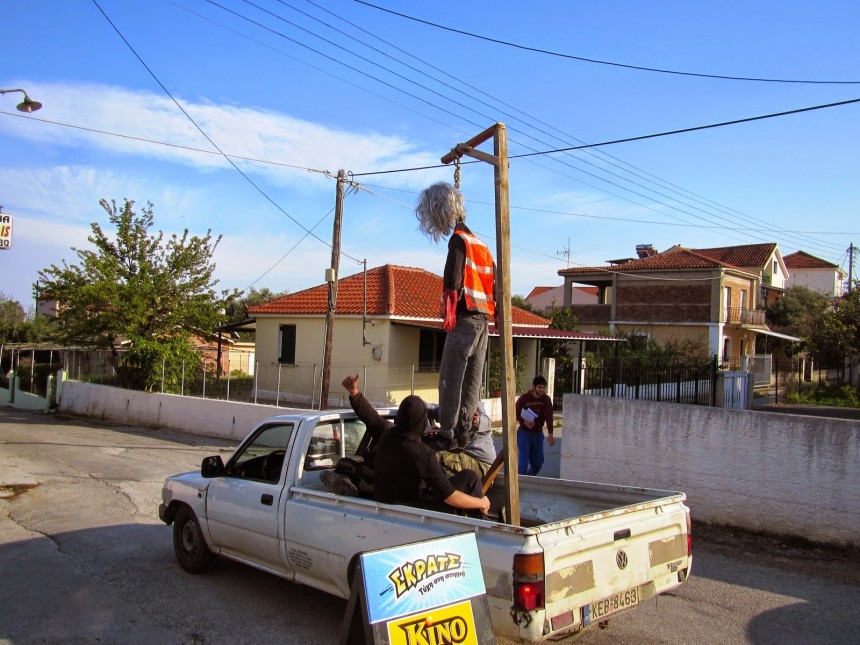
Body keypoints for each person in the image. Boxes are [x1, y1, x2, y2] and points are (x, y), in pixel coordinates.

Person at [416, 181, 497, 450]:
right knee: (473, 378)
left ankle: (448, 432)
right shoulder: (482, 245)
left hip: (464, 317)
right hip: (483, 320)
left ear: (442, 209)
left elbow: (453, 280)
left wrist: (449, 313)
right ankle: (464, 430)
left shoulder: (459, 241)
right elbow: (493, 285)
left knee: (450, 376)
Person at [340, 374, 491, 515]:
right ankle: (480, 526)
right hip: (414, 508)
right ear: (422, 421)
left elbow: (372, 418)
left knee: (463, 478)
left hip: (385, 500)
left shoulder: (388, 435)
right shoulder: (422, 455)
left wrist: (355, 393)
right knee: (470, 479)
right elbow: (449, 496)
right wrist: (481, 502)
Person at [427, 401, 496, 478]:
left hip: (481, 465)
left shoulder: (474, 407)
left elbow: (486, 422)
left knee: (433, 456)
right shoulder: (454, 404)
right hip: (465, 458)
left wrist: (477, 420)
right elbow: (434, 408)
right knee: (437, 470)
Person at [516, 375, 555, 476]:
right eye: (539, 387)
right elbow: (515, 413)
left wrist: (550, 433)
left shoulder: (546, 399)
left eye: (543, 387)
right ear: (534, 387)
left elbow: (549, 416)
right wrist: (523, 421)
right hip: (524, 433)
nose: (542, 389)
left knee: (537, 463)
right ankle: (521, 485)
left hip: (537, 433)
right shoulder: (524, 398)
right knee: (523, 464)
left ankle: (528, 479)